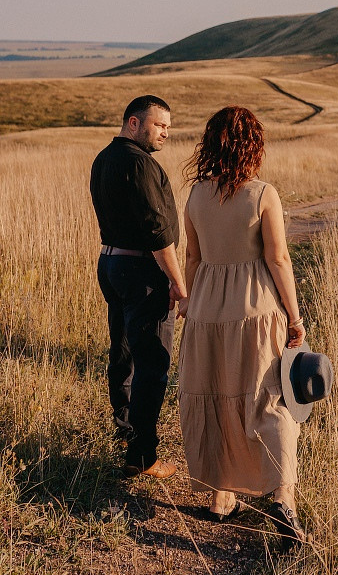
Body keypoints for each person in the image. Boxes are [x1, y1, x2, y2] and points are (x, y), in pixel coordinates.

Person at [178, 106, 307, 546]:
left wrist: (189, 302)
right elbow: (278, 258)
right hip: (256, 310)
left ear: (211, 145)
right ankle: (282, 496)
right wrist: (295, 317)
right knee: (269, 400)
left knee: (216, 396)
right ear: (253, 147)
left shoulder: (195, 196)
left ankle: (221, 498)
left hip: (206, 310)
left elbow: (192, 257)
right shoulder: (263, 194)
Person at [90, 95, 187, 479]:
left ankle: (126, 434)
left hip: (111, 263)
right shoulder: (139, 163)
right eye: (159, 124)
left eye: (168, 127)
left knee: (124, 352)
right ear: (134, 122)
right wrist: (177, 282)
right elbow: (157, 231)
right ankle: (143, 456)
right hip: (142, 271)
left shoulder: (104, 158)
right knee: (152, 363)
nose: (165, 133)